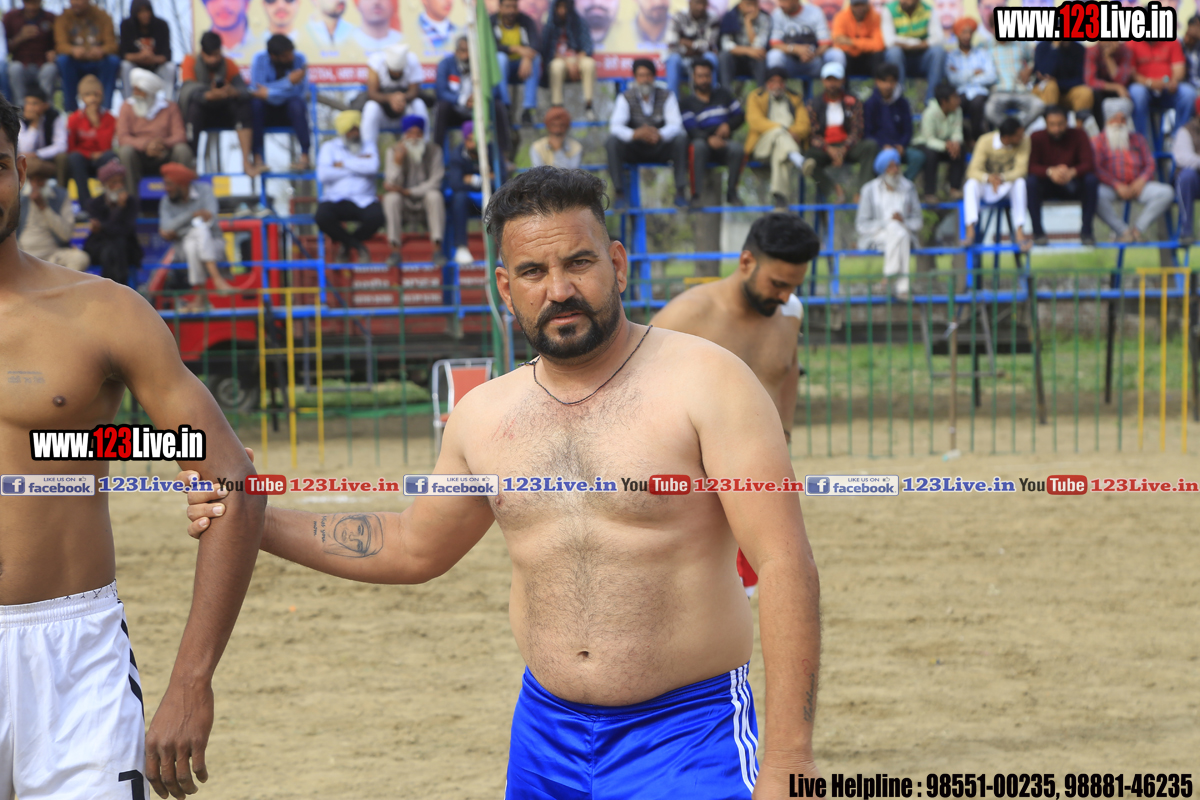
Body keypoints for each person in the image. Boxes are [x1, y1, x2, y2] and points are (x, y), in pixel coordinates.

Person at [179, 165, 823, 798]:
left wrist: (790, 758)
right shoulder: (483, 415)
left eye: (579, 263)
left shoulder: (710, 382)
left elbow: (783, 561)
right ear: (505, 288)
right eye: (533, 272)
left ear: (617, 264)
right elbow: (412, 546)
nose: (559, 290)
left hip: (687, 735)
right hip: (546, 740)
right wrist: (255, 516)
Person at [0, 95, 264, 800]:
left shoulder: (104, 314)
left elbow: (233, 483)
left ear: (20, 172)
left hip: (74, 659)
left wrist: (192, 680)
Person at [650, 211, 819, 596]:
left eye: (794, 286)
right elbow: (636, 389)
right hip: (693, 490)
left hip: (763, 484)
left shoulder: (790, 311)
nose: (785, 295)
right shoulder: (685, 316)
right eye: (778, 284)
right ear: (746, 262)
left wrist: (785, 434)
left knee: (769, 585)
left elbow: (788, 369)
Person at [606, 58, 690, 210]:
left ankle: (680, 193)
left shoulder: (667, 95)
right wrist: (635, 134)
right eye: (641, 75)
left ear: (654, 77)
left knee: (681, 138)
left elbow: (676, 125)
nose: (645, 79)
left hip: (660, 148)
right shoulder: (625, 97)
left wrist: (658, 134)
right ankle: (619, 194)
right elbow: (615, 127)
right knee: (612, 142)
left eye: (648, 75)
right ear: (635, 77)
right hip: (636, 149)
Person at [1091, 97, 1173, 244]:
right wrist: (1116, 184)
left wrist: (1141, 181)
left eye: (1123, 119)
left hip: (1138, 186)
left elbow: (1150, 164)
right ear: (1107, 120)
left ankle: (1137, 231)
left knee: (1166, 193)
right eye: (1114, 119)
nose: (1119, 123)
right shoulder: (1098, 141)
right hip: (1111, 187)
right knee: (1093, 194)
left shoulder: (1138, 139)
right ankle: (1123, 232)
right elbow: (1097, 168)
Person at [178, 31, 256, 175]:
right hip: (201, 114)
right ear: (203, 52)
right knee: (193, 109)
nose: (213, 59)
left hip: (225, 112)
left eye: (216, 54)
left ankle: (246, 161)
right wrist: (208, 95)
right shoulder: (190, 61)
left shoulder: (228, 64)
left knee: (244, 106)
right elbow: (187, 91)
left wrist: (233, 92)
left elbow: (244, 91)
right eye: (210, 55)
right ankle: (192, 164)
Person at [159, 161, 234, 305]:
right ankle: (217, 279)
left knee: (196, 239)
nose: (166, 188)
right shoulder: (166, 201)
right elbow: (166, 227)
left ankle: (200, 294)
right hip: (182, 251)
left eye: (169, 184)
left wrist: (178, 231)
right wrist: (192, 215)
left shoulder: (205, 190)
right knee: (198, 234)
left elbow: (210, 219)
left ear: (182, 184)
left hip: (213, 244)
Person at [803, 60, 877, 202]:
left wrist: (843, 149)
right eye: (829, 79)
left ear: (842, 80)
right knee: (807, 159)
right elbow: (812, 134)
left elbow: (857, 130)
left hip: (848, 147)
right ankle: (833, 191)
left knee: (870, 147)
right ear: (823, 81)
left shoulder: (853, 101)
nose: (832, 84)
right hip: (825, 148)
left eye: (836, 79)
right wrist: (828, 149)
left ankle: (862, 193)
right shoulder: (814, 104)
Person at [315, 110, 383, 264]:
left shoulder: (368, 145)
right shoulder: (329, 147)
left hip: (364, 199)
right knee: (322, 216)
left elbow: (372, 167)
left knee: (377, 217)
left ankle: (346, 246)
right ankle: (357, 246)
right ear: (343, 131)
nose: (355, 134)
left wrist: (342, 164)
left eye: (357, 129)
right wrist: (359, 166)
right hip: (336, 199)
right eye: (351, 130)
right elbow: (323, 175)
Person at [1026, 105, 1097, 247]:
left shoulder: (1079, 135)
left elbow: (1088, 163)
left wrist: (1072, 172)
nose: (1056, 129)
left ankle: (1087, 232)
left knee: (1091, 180)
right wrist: (1050, 172)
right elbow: (1031, 166)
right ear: (1046, 123)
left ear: (1067, 122)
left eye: (1060, 124)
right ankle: (1038, 233)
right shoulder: (1036, 137)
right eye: (1052, 124)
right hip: (1047, 185)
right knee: (1031, 182)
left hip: (1072, 184)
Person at [115, 67, 193, 196]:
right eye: (134, 89)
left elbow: (180, 135)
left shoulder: (170, 107)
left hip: (164, 154)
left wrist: (162, 143)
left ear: (150, 92)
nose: (135, 94)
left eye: (139, 91)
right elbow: (123, 137)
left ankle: (181, 197)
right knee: (125, 151)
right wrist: (146, 145)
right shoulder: (127, 107)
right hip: (139, 156)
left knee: (182, 150)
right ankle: (131, 201)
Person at [855, 148, 922, 297]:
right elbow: (861, 225)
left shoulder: (909, 187)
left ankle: (886, 279)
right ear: (883, 170)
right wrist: (887, 223)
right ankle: (902, 289)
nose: (895, 170)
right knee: (897, 230)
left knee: (900, 232)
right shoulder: (869, 190)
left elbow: (918, 221)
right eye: (890, 166)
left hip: (904, 234)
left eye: (897, 165)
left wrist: (902, 221)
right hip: (876, 236)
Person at [383, 115, 446, 268]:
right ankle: (395, 251)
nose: (414, 137)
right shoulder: (393, 150)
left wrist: (409, 191)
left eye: (418, 133)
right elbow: (390, 183)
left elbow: (436, 181)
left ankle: (437, 250)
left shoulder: (434, 150)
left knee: (435, 196)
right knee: (391, 199)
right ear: (404, 134)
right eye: (410, 133)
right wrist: (398, 162)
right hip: (403, 202)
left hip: (424, 200)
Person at [434, 36, 513, 158]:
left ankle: (504, 156)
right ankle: (437, 154)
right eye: (463, 50)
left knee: (497, 106)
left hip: (480, 110)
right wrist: (463, 100)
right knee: (442, 107)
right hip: (456, 111)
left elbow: (495, 89)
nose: (467, 55)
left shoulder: (483, 65)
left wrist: (480, 98)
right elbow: (441, 92)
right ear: (456, 51)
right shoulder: (445, 64)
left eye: (470, 51)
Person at [681, 58, 745, 207]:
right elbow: (691, 129)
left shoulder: (724, 95)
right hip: (702, 144)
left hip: (723, 142)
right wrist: (708, 138)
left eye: (707, 76)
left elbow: (740, 116)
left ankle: (732, 194)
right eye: (700, 76)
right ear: (693, 77)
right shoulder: (686, 103)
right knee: (697, 147)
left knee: (737, 149)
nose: (704, 80)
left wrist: (728, 126)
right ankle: (696, 196)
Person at [747, 65, 810, 208]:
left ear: (785, 83)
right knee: (778, 132)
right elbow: (755, 122)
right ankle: (799, 160)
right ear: (766, 83)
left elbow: (804, 126)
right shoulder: (756, 97)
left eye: (780, 82)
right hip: (762, 146)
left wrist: (788, 132)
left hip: (783, 147)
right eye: (773, 81)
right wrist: (783, 129)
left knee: (781, 152)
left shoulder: (795, 98)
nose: (777, 85)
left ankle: (780, 200)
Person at [962, 116, 1030, 249]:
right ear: (1007, 137)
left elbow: (1021, 170)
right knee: (970, 184)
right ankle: (970, 231)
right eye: (1018, 135)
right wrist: (989, 178)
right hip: (987, 185)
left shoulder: (1025, 140)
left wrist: (1001, 178)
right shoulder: (985, 141)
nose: (1022, 137)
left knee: (1020, 183)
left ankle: (1020, 232)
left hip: (1007, 184)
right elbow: (972, 171)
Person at [446, 120, 507, 263]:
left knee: (503, 198)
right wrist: (485, 178)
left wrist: (472, 179)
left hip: (491, 199)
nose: (473, 143)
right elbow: (455, 184)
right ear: (464, 139)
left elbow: (501, 180)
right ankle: (461, 247)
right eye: (469, 139)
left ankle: (503, 249)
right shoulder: (457, 154)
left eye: (477, 139)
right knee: (458, 198)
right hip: (469, 204)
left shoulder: (493, 151)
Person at [249, 34, 312, 172]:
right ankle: (257, 159)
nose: (291, 58)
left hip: (290, 113)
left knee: (297, 104)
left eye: (291, 53)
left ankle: (305, 157)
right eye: (286, 56)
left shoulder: (300, 60)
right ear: (273, 56)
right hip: (266, 113)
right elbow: (257, 90)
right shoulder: (260, 60)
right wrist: (288, 82)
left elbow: (299, 92)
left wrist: (269, 93)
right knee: (255, 104)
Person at [17, 159, 89, 271]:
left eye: (40, 180)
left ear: (47, 180)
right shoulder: (18, 197)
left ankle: (62, 284)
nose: (36, 185)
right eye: (33, 180)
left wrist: (44, 208)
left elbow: (66, 235)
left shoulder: (61, 196)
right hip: (22, 255)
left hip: (53, 256)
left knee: (80, 258)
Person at [83, 159, 142, 285]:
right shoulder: (94, 203)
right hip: (100, 247)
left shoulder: (131, 202)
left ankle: (110, 288)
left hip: (126, 247)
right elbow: (104, 232)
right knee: (111, 248)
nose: (119, 186)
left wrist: (105, 225)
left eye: (121, 182)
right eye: (114, 182)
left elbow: (125, 230)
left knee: (116, 245)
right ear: (105, 184)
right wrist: (118, 210)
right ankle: (119, 286)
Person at [863, 61, 924, 181]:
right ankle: (879, 186)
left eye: (891, 81)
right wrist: (883, 146)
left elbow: (908, 131)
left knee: (918, 157)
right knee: (874, 153)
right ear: (877, 81)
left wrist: (901, 145)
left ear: (896, 82)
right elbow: (867, 133)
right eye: (884, 81)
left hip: (899, 148)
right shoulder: (869, 104)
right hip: (880, 149)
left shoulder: (903, 103)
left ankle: (902, 184)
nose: (888, 85)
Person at [54, 0, 119, 112]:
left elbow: (112, 45)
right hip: (75, 62)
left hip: (98, 61)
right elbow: (60, 45)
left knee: (113, 61)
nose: (75, 3)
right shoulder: (63, 18)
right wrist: (72, 50)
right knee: (63, 60)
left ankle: (104, 110)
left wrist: (101, 50)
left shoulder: (102, 16)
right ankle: (71, 110)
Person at [362, 43, 428, 151]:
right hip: (382, 115)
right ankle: (368, 152)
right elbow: (372, 93)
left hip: (405, 113)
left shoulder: (412, 60)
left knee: (419, 104)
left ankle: (423, 147)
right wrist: (390, 98)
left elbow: (414, 91)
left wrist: (401, 98)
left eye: (399, 72)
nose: (396, 75)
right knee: (371, 107)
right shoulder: (376, 60)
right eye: (393, 72)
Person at [64, 73, 117, 202]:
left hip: (101, 158)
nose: (92, 99)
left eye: (96, 95)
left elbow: (106, 146)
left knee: (110, 156)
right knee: (74, 158)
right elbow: (71, 148)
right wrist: (90, 154)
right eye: (88, 95)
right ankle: (86, 203)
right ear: (82, 97)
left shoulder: (110, 118)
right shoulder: (74, 118)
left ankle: (109, 200)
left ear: (101, 96)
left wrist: (97, 123)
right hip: (84, 159)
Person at [1127, 38, 1194, 139]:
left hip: (1168, 88)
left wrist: (1173, 81)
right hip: (1144, 87)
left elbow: (1179, 69)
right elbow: (1131, 73)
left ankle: (1179, 139)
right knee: (1137, 92)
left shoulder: (1172, 41)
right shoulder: (1131, 43)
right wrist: (1150, 83)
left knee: (1188, 93)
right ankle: (1141, 140)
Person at [541, 0, 597, 121]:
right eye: (559, 7)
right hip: (560, 60)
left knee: (589, 63)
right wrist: (568, 63)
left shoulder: (579, 22)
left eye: (565, 7)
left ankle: (589, 106)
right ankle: (557, 107)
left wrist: (575, 62)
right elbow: (547, 52)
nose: (562, 11)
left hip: (577, 59)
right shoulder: (550, 25)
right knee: (556, 66)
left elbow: (587, 48)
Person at [880, 0, 944, 101]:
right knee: (894, 52)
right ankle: (897, 99)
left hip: (921, 59)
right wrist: (915, 43)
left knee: (938, 52)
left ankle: (932, 101)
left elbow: (939, 39)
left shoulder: (928, 10)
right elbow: (889, 41)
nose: (903, 1)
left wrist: (913, 45)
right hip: (900, 59)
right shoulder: (889, 9)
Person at [944, 17, 995, 142]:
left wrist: (963, 75)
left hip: (980, 92)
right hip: (960, 93)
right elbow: (952, 79)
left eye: (970, 32)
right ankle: (963, 141)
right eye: (964, 32)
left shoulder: (982, 53)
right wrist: (974, 72)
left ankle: (978, 140)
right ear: (957, 34)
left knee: (977, 103)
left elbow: (991, 77)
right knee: (956, 104)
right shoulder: (951, 57)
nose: (967, 36)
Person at [767, 0, 845, 81]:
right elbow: (775, 44)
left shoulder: (815, 12)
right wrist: (795, 49)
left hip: (814, 61)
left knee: (836, 54)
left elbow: (825, 43)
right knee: (774, 55)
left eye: (784, 1)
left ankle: (836, 88)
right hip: (790, 63)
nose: (781, 5)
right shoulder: (777, 14)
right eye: (780, 1)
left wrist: (810, 55)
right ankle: (776, 87)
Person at [912, 81, 964, 201]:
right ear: (944, 101)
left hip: (947, 143)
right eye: (955, 98)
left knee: (960, 149)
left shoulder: (957, 110)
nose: (958, 101)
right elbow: (928, 139)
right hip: (925, 143)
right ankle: (929, 192)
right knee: (930, 154)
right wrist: (946, 145)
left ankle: (954, 188)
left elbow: (957, 131)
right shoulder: (929, 113)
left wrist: (955, 143)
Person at [492, 0, 541, 126]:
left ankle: (528, 109)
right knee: (500, 58)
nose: (511, 11)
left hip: (522, 68)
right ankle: (505, 107)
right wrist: (515, 48)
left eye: (514, 7)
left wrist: (527, 57)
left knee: (535, 59)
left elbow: (535, 43)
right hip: (501, 69)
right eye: (508, 7)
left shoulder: (526, 21)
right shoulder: (491, 21)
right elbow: (491, 47)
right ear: (500, 7)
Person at [2, 0, 58, 104]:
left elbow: (59, 43)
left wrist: (54, 52)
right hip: (21, 64)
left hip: (43, 64)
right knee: (14, 68)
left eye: (35, 2)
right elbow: (4, 49)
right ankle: (20, 106)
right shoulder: (11, 17)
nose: (32, 7)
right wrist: (20, 37)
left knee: (51, 69)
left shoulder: (50, 18)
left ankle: (45, 105)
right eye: (28, 2)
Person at [982, 34, 1042, 127]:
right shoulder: (986, 46)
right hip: (999, 92)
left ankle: (1018, 129)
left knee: (1039, 105)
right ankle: (1008, 130)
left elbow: (1035, 59)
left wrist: (1029, 69)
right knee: (989, 110)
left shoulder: (1021, 43)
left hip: (1020, 90)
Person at [119, 0, 173, 102]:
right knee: (125, 66)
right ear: (135, 13)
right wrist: (140, 56)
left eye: (147, 11)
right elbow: (123, 54)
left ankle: (168, 103)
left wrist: (152, 58)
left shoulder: (161, 25)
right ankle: (129, 102)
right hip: (135, 68)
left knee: (170, 68)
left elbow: (166, 55)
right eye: (141, 11)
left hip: (156, 68)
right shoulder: (127, 25)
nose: (145, 15)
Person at [665, 0, 720, 96]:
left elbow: (710, 46)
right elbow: (672, 44)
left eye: (703, 3)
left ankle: (712, 99)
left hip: (702, 60)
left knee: (711, 57)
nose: (700, 7)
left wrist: (690, 44)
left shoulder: (712, 18)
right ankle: (672, 100)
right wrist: (698, 47)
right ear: (690, 3)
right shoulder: (679, 17)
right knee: (673, 59)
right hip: (682, 60)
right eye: (697, 3)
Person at [1032, 41, 1094, 117]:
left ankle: (1080, 124)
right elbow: (1045, 73)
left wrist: (1058, 82)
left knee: (1085, 92)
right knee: (1050, 86)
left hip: (1067, 91)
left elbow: (1080, 79)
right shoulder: (1042, 46)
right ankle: (1051, 122)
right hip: (1045, 92)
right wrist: (1055, 47)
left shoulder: (1079, 48)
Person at [718, 0, 770, 88]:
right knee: (724, 56)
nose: (753, 8)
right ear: (740, 5)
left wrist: (748, 22)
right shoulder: (730, 16)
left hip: (753, 61)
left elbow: (759, 47)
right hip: (735, 60)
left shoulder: (764, 17)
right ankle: (725, 92)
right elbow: (725, 45)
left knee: (760, 55)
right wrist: (747, 51)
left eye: (755, 5)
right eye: (749, 5)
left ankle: (761, 92)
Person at [831, 0, 888, 78]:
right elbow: (838, 42)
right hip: (850, 58)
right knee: (840, 55)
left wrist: (851, 42)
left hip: (868, 58)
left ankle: (878, 85)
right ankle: (842, 85)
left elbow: (879, 45)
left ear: (867, 5)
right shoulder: (841, 16)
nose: (860, 8)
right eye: (856, 5)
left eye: (862, 4)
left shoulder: (875, 17)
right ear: (851, 6)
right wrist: (865, 44)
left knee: (878, 55)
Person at [16, 85, 64, 174]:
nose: (30, 108)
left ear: (45, 105)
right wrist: (34, 124)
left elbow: (61, 145)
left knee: (62, 157)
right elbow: (25, 148)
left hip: (48, 159)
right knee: (26, 164)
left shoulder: (54, 117)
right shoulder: (21, 118)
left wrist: (38, 154)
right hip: (28, 159)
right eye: (27, 103)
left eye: (34, 103)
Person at [1084, 41, 1132, 127]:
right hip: (1101, 91)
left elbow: (1122, 81)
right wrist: (1117, 87)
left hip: (1120, 90)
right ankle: (1102, 130)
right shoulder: (1092, 51)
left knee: (1131, 94)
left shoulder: (1124, 50)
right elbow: (1090, 81)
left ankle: (1124, 129)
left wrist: (1108, 57)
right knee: (1094, 94)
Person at [1173, 112, 1200, 245]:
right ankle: (1186, 231)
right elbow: (1183, 158)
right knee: (1186, 176)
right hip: (1195, 179)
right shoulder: (1186, 130)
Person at [529, 104, 582, 168]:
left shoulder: (576, 148)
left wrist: (558, 150)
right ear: (548, 127)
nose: (557, 130)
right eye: (554, 125)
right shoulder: (537, 147)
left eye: (561, 125)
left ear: (566, 127)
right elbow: (538, 172)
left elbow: (572, 172)